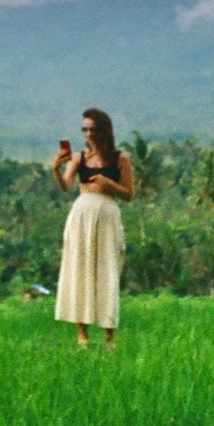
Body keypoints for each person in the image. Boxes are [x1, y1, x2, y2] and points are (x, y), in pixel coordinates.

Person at [51, 106, 133, 348]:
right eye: (84, 130)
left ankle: (109, 336)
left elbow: (129, 194)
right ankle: (82, 334)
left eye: (93, 129)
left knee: (107, 269)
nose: (88, 134)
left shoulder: (121, 158)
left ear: (104, 130)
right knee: (79, 269)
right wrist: (56, 168)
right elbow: (66, 186)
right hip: (81, 215)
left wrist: (109, 184)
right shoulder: (79, 158)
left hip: (107, 214)